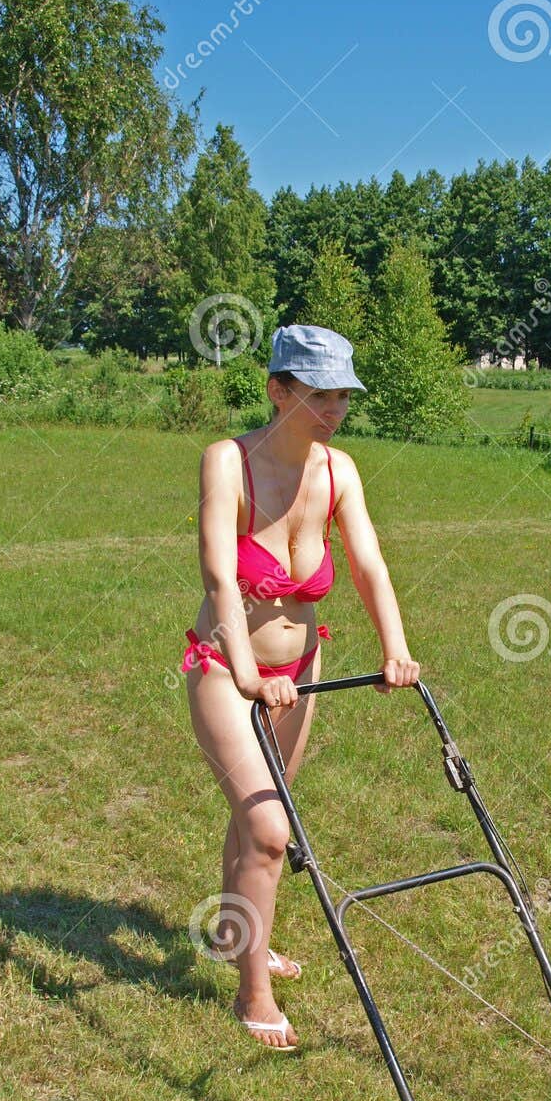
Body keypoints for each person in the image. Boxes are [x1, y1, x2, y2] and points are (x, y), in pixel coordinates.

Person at [181, 324, 420, 1051]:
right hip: (227, 669)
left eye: (344, 396)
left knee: (260, 811)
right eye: (321, 396)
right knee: (270, 829)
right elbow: (222, 575)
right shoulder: (229, 463)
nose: (336, 411)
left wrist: (397, 650)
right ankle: (252, 990)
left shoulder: (338, 471)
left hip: (302, 670)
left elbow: (369, 565)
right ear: (278, 389)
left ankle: (236, 933)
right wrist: (247, 673)